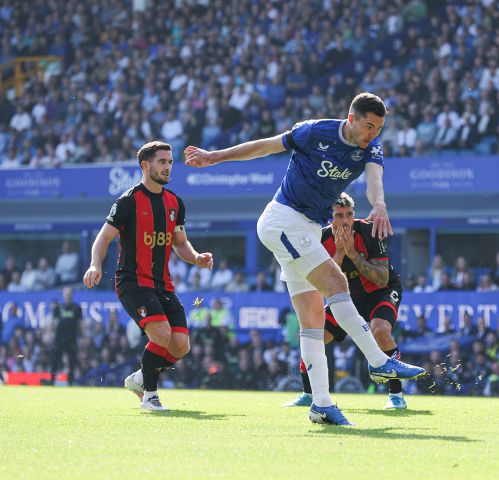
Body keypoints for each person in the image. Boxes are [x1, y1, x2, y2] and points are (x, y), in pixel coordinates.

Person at [183, 92, 426, 426]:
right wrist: (215, 157)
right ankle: (378, 360)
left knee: (313, 321)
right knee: (338, 283)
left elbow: (374, 180)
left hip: (309, 229)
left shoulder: (371, 147)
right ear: (351, 118)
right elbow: (265, 146)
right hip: (282, 220)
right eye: (369, 125)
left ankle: (322, 404)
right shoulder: (314, 131)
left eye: (379, 128)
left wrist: (380, 204)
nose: (373, 133)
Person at [83, 141, 214, 411]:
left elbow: (180, 243)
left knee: (180, 345)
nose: (168, 167)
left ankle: (140, 378)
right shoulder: (128, 202)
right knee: (162, 334)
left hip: (162, 284)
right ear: (146, 165)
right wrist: (95, 264)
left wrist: (196, 257)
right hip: (132, 281)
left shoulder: (175, 202)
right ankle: (150, 397)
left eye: (169, 162)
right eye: (162, 162)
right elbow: (103, 238)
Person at [284, 193, 411, 409]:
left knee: (380, 331)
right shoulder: (319, 240)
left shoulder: (371, 231)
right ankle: (308, 393)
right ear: (329, 217)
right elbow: (321, 282)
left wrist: (353, 254)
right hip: (344, 297)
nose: (345, 221)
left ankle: (396, 396)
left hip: (379, 293)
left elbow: (382, 279)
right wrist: (340, 256)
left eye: (349, 214)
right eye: (339, 215)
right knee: (314, 335)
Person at [49, 287, 82, 385]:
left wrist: (81, 337)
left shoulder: (77, 308)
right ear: (63, 294)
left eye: (69, 293)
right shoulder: (58, 308)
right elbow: (53, 323)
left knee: (72, 360)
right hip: (59, 338)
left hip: (72, 338)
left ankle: (70, 381)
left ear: (72, 294)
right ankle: (52, 380)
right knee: (55, 359)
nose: (68, 295)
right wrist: (50, 335)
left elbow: (80, 324)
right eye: (66, 293)